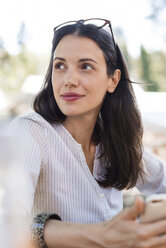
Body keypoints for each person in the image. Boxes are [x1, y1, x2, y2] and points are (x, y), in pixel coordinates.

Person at [10, 18, 166, 247]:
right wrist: (102, 235)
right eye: (60, 65)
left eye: (86, 66)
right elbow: (9, 222)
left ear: (113, 80)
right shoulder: (30, 132)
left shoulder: (116, 140)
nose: (69, 80)